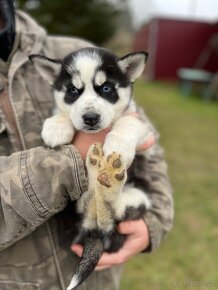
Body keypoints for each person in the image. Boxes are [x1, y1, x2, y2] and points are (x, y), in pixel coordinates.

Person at [0, 1, 174, 289]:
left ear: (129, 76)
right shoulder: (57, 68)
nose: (90, 108)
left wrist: (153, 222)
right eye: (74, 91)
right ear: (53, 81)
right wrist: (74, 147)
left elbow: (146, 140)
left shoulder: (74, 48)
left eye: (105, 88)